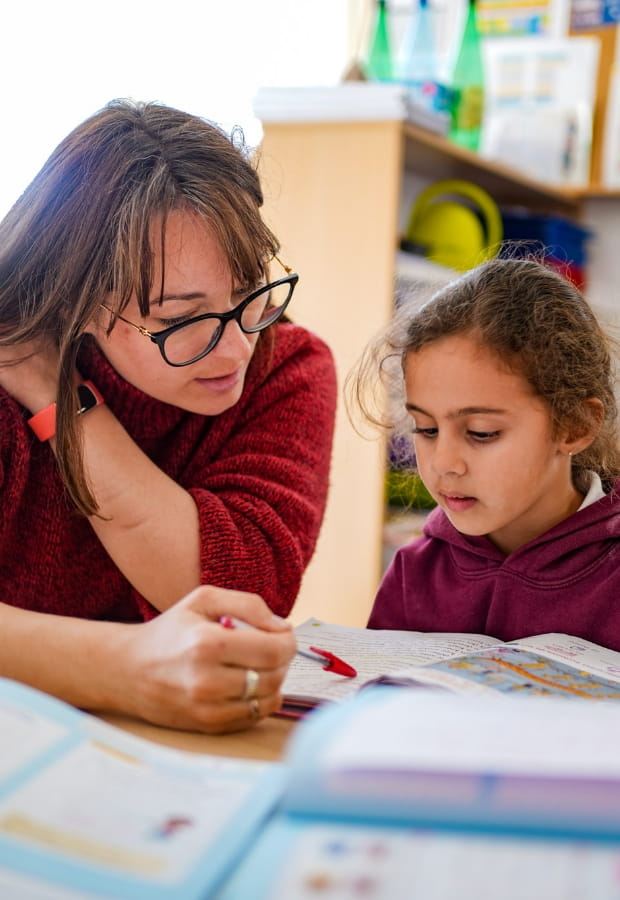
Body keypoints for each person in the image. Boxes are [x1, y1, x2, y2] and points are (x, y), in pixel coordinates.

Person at [0, 99, 337, 732]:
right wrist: (119, 666)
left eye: (246, 293)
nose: (238, 349)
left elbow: (244, 592)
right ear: (80, 299)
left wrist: (58, 397)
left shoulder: (287, 367)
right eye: (181, 318)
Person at [354, 257, 620, 650]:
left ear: (575, 424)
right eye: (426, 429)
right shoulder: (415, 572)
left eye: (481, 433)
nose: (443, 463)